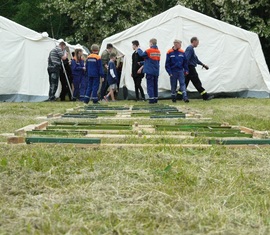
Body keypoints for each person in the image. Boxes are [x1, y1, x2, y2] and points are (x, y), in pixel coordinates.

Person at [137, 38, 161, 104]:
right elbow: (151, 60)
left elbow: (141, 55)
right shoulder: (158, 51)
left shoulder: (149, 51)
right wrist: (142, 63)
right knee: (155, 85)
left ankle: (151, 99)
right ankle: (155, 98)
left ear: (151, 43)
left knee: (150, 85)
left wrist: (138, 49)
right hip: (156, 71)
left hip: (150, 71)